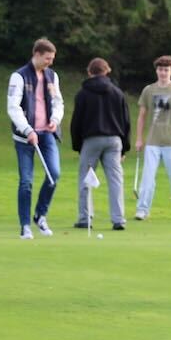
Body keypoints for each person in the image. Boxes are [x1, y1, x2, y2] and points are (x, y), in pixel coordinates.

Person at [7, 39, 64, 239]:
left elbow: (58, 102)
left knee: (53, 174)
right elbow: (13, 107)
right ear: (37, 54)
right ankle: (25, 226)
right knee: (26, 181)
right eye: (47, 58)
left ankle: (40, 215)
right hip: (25, 137)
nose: (50, 62)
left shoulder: (52, 76)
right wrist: (27, 130)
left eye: (52, 59)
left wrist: (55, 119)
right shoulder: (19, 76)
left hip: (46, 134)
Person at [70, 57, 130, 230]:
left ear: (89, 72)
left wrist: (78, 146)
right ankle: (118, 219)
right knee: (115, 179)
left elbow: (76, 122)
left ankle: (85, 217)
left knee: (86, 178)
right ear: (107, 71)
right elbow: (125, 122)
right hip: (114, 140)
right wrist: (125, 147)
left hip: (91, 139)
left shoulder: (83, 94)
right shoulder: (117, 93)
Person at [134, 55, 171, 222]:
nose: (163, 73)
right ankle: (142, 210)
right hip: (153, 141)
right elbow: (142, 116)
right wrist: (139, 139)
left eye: (166, 70)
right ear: (156, 71)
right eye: (160, 69)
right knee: (147, 179)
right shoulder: (148, 90)